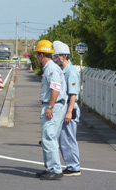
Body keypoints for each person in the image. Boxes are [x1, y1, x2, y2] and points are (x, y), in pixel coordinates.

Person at [35, 40, 67, 180]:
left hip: (53, 105)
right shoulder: (50, 68)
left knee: (49, 138)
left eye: (37, 55)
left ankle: (55, 169)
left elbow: (55, 88)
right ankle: (49, 168)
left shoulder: (51, 69)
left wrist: (50, 106)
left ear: (41, 55)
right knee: (48, 138)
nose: (36, 58)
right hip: (54, 105)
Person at [53, 41, 81, 177]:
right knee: (64, 139)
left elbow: (73, 94)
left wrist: (69, 112)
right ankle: (71, 165)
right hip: (66, 108)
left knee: (69, 138)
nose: (55, 59)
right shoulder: (63, 71)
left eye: (57, 57)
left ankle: (74, 167)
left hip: (71, 108)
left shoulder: (71, 72)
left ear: (63, 56)